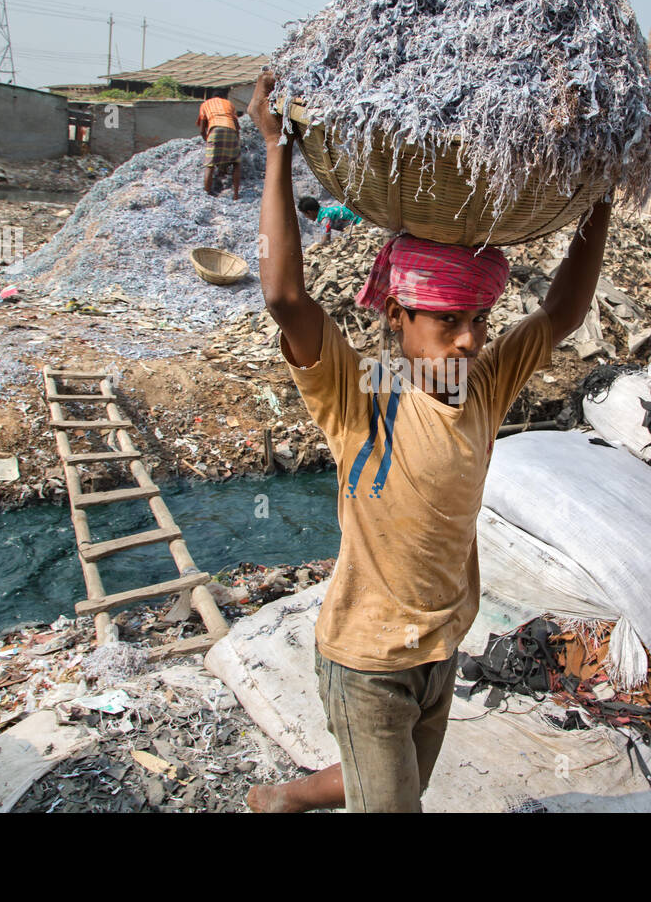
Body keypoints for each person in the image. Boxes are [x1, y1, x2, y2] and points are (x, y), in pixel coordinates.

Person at [244, 69, 611, 813]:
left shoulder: (485, 387)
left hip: (441, 649)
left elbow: (562, 314)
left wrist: (598, 205)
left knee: (393, 779)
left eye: (478, 319)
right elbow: (285, 297)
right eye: (448, 322)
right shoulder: (359, 397)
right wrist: (278, 148)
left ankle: (282, 799)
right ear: (397, 319)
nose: (471, 339)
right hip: (366, 656)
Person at [198, 95, 242, 199]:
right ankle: (236, 195)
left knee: (210, 165)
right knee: (236, 163)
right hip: (231, 130)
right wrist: (237, 141)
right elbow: (236, 125)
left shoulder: (205, 104)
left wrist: (208, 141)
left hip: (215, 129)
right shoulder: (229, 104)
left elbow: (201, 130)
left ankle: (207, 194)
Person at [298, 196, 363, 245]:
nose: (306, 217)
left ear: (309, 212)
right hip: (359, 219)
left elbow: (326, 239)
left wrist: (317, 247)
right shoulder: (325, 212)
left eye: (305, 214)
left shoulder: (325, 217)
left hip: (361, 223)